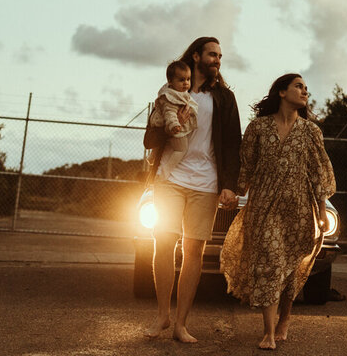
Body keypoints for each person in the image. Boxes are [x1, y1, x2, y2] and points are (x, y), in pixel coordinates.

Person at [220, 73, 336, 350]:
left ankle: (285, 317)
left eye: (307, 88)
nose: (305, 91)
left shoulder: (310, 131)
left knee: (290, 269)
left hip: (298, 209)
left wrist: (320, 210)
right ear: (282, 92)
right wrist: (234, 193)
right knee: (270, 263)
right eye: (299, 86)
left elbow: (318, 173)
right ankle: (269, 332)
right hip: (264, 206)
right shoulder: (258, 128)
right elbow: (245, 166)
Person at [143, 36, 241, 344]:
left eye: (220, 56)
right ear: (196, 56)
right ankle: (162, 315)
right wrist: (172, 125)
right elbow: (150, 140)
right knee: (163, 243)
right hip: (170, 178)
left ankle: (181, 324)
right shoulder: (168, 95)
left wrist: (228, 185)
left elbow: (233, 145)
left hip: (206, 182)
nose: (217, 60)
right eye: (212, 54)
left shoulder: (224, 98)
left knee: (194, 251)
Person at [145, 61, 198, 183]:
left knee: (162, 142)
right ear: (170, 81)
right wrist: (175, 124)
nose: (186, 83)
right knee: (181, 149)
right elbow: (170, 112)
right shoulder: (172, 97)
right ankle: (164, 173)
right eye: (181, 80)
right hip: (172, 126)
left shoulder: (172, 92)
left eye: (188, 79)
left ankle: (152, 155)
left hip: (164, 124)